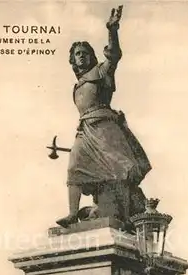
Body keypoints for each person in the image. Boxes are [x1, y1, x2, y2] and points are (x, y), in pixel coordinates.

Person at [56, 5, 152, 228]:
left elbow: (115, 55)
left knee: (118, 171)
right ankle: (72, 214)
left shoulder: (101, 71)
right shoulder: (78, 84)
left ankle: (125, 214)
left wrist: (112, 30)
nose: (81, 57)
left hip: (105, 129)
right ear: (72, 60)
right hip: (85, 129)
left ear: (92, 56)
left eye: (85, 53)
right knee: (74, 168)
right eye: (77, 54)